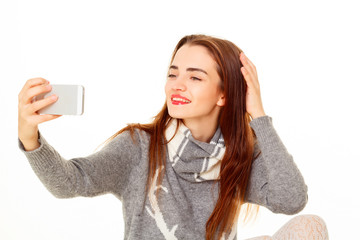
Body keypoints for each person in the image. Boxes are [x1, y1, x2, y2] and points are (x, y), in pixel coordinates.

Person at [18, 34, 328, 240]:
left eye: (194, 76)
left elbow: (291, 200)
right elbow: (70, 182)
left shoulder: (239, 155)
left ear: (224, 94)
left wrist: (259, 117)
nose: (177, 85)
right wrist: (29, 135)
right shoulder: (139, 147)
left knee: (309, 227)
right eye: (173, 73)